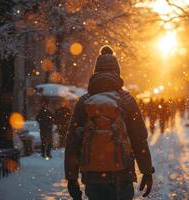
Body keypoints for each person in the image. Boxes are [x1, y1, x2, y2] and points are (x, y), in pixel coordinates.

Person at [65, 46, 154, 200]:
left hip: (93, 176)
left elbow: (72, 141)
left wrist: (71, 178)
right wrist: (146, 171)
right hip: (122, 174)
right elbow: (139, 140)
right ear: (117, 72)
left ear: (96, 72)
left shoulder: (84, 102)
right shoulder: (127, 101)